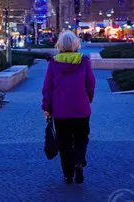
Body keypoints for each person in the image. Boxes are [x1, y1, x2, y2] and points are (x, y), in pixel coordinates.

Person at [42, 30, 95, 185]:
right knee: (81, 138)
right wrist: (88, 98)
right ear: (75, 44)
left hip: (60, 110)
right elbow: (91, 83)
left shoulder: (53, 63)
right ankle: (79, 162)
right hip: (81, 108)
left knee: (64, 142)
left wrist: (47, 106)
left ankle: (68, 174)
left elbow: (47, 88)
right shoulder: (84, 61)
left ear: (60, 44)